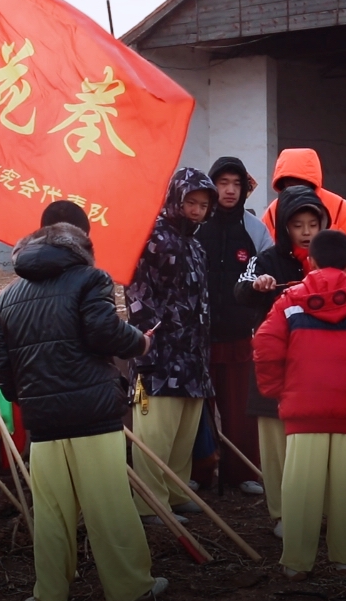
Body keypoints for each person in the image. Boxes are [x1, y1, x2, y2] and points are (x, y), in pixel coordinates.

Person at [0, 221, 166, 601]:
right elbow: (103, 332)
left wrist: (26, 397)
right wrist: (141, 344)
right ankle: (131, 589)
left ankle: (49, 592)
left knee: (51, 513)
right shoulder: (90, 279)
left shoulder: (8, 296)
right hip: (92, 417)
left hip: (44, 423)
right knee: (109, 507)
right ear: (79, 251)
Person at [254, 229, 346, 580]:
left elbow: (265, 347)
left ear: (310, 260)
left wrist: (278, 391)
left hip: (303, 412)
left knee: (300, 487)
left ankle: (296, 562)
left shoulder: (289, 300)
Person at [235, 185, 329, 538]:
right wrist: (257, 285)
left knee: (310, 440)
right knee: (274, 441)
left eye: (312, 224)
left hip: (316, 365)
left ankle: (315, 506)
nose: (306, 233)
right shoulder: (267, 259)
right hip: (273, 360)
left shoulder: (330, 260)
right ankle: (281, 512)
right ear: (285, 228)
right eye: (297, 225)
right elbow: (240, 290)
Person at [126, 167, 218, 524]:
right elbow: (136, 294)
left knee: (184, 430)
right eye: (191, 202)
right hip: (160, 352)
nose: (196, 211)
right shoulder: (151, 238)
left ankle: (177, 491)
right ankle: (150, 502)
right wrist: (145, 340)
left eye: (203, 205)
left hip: (193, 353)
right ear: (175, 200)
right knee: (156, 434)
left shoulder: (196, 245)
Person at [195, 156, 273, 495]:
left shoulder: (255, 229)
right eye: (222, 183)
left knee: (240, 407)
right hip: (198, 335)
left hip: (242, 333)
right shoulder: (196, 224)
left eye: (236, 184)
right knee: (199, 409)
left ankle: (241, 473)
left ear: (244, 189)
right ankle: (199, 473)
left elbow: (268, 273)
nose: (229, 190)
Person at [261, 148, 346, 279]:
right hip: (286, 289)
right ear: (282, 183)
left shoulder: (339, 206)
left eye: (301, 183)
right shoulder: (273, 210)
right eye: (290, 184)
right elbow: (263, 253)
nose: (296, 188)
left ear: (311, 181)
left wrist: (337, 282)